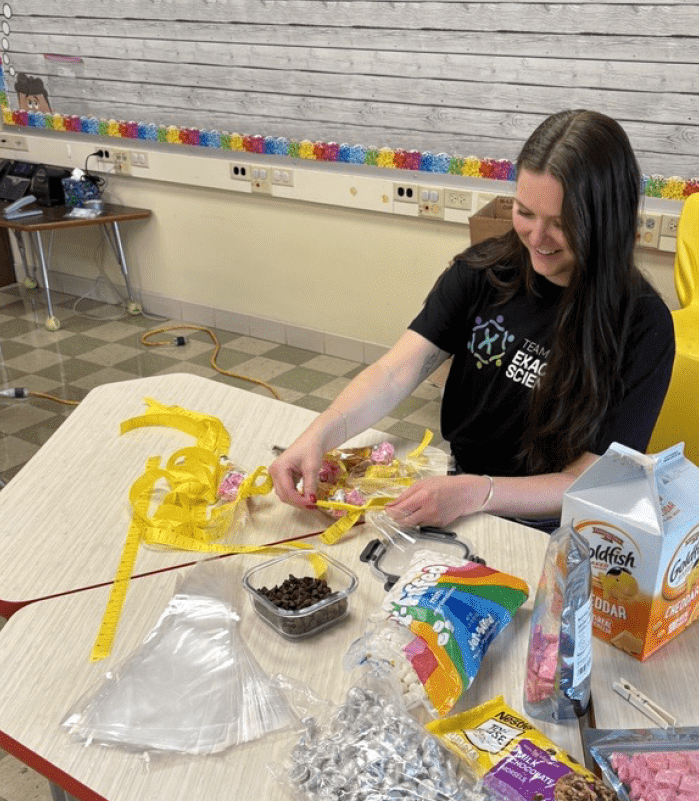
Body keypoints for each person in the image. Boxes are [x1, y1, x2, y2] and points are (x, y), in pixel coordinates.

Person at [271, 109, 675, 529]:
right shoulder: (484, 272)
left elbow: (588, 480)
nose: (537, 239)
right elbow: (395, 372)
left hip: (552, 517)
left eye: (563, 224)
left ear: (606, 221)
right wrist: (318, 435)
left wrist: (480, 493)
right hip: (461, 491)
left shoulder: (643, 326)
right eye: (525, 212)